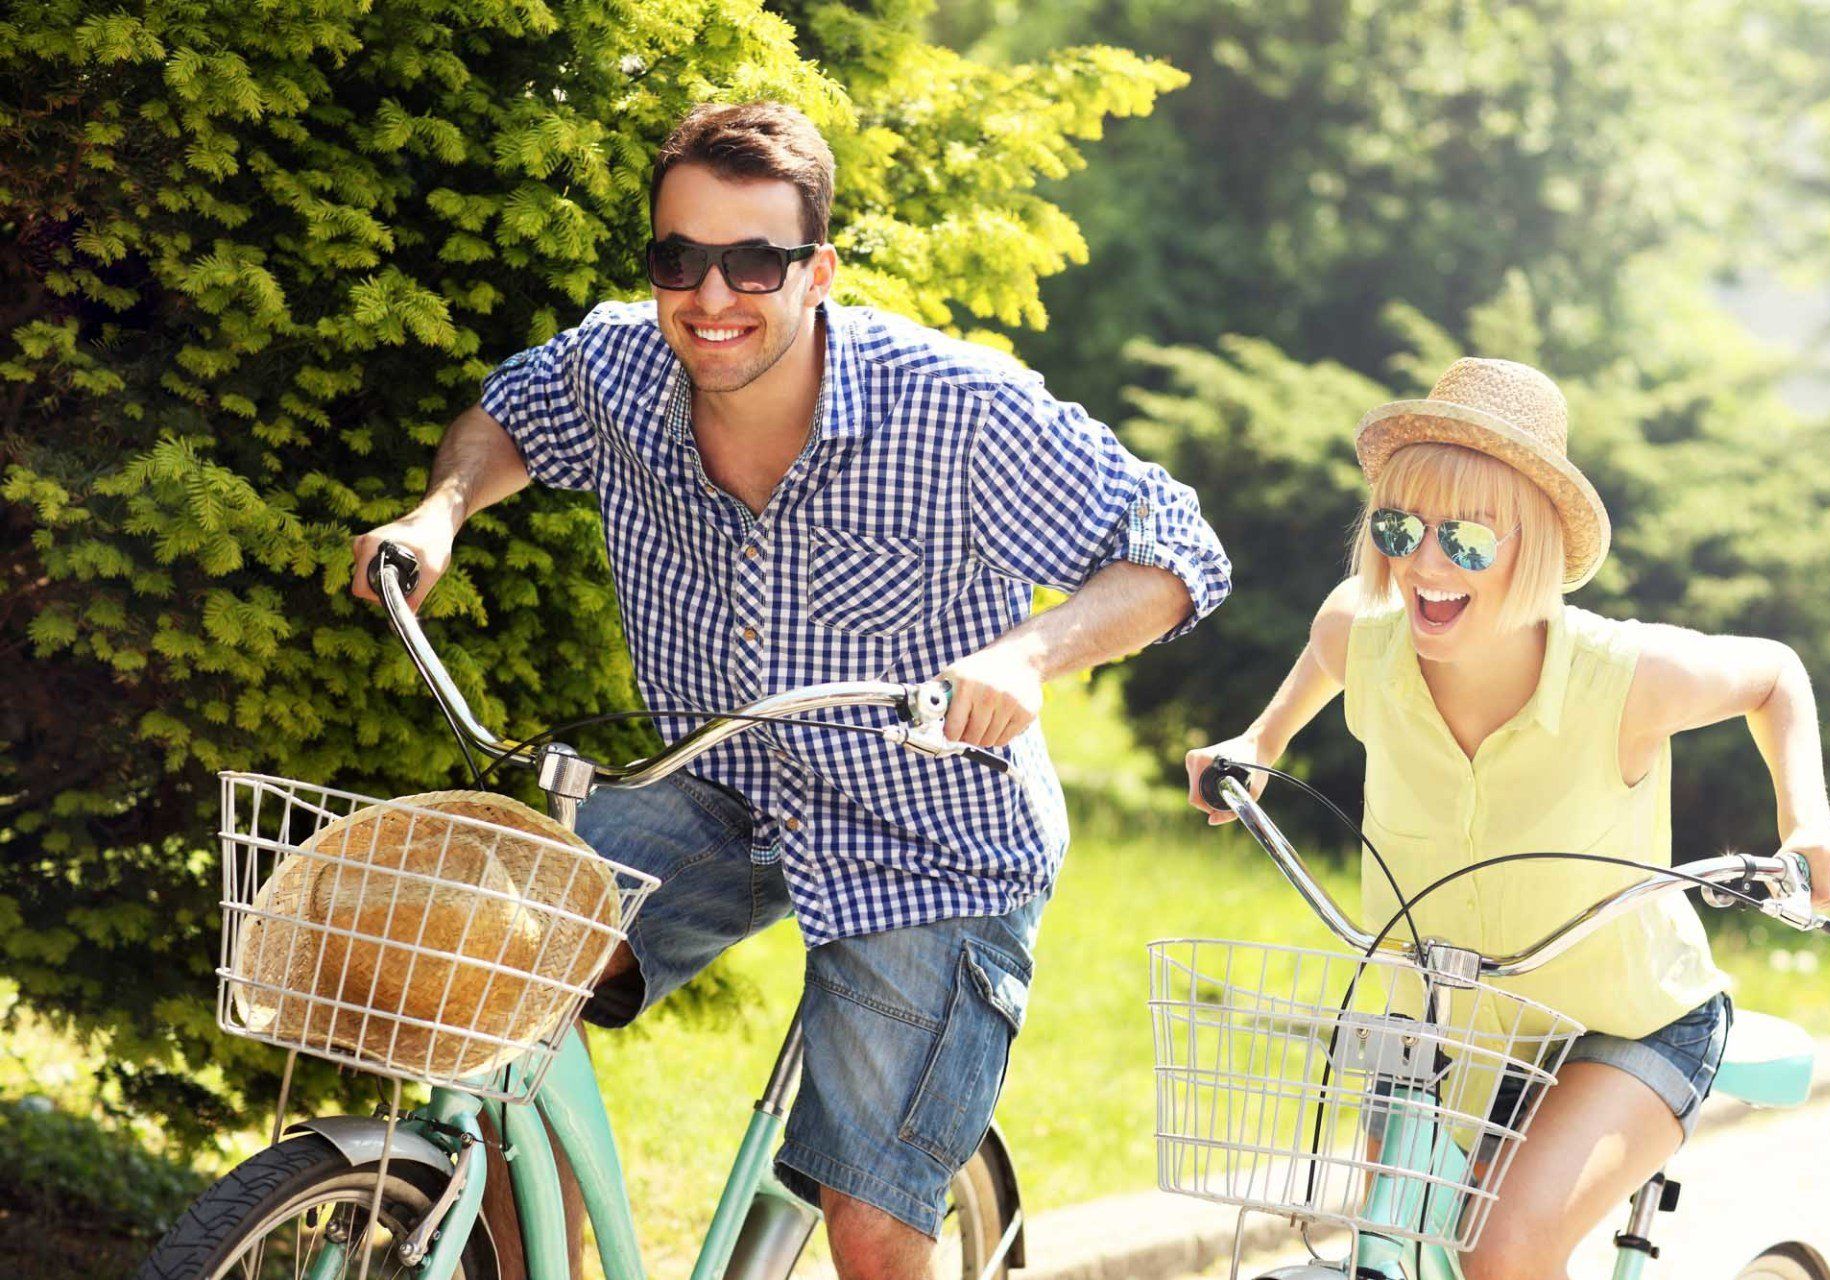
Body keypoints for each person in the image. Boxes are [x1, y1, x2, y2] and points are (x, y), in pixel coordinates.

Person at [351, 101, 1231, 1280]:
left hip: (929, 835)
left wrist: (1028, 655)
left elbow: (1176, 550)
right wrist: (440, 512)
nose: (711, 295)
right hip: (710, 782)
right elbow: (509, 413)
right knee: (489, 978)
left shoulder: (957, 410)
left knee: (867, 1218)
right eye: (679, 258)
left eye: (753, 262)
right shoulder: (620, 366)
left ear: (818, 272)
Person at [1184, 357, 1830, 1280]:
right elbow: (1328, 644)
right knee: (1393, 1238)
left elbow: (1774, 674)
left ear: (1536, 548)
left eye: (1466, 539)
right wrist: (1260, 742)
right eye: (1399, 527)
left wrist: (1807, 825)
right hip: (1448, 1024)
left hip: (1626, 1020)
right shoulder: (1366, 635)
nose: (1424, 564)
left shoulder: (1626, 677)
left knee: (1503, 1252)